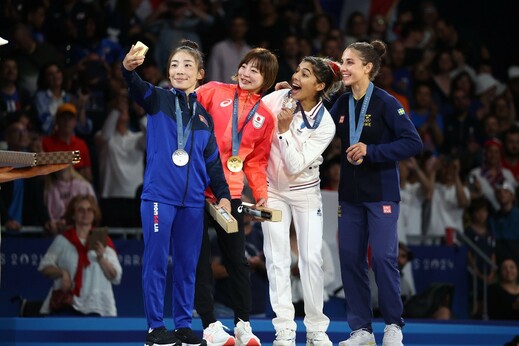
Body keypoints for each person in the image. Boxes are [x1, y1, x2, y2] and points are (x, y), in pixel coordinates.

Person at [122, 40, 231, 346]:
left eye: (187, 65)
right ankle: (155, 327)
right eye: (174, 65)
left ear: (200, 74)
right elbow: (135, 86)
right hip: (159, 198)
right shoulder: (157, 99)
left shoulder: (204, 118)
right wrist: (128, 70)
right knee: (156, 263)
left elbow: (212, 162)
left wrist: (222, 193)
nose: (179, 70)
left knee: (188, 266)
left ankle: (183, 325)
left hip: (193, 203)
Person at [329, 40, 423, 346]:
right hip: (349, 197)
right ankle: (362, 330)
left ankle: (393, 324)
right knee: (350, 259)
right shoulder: (341, 104)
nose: (343, 68)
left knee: (383, 258)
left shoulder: (385, 102)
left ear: (368, 67)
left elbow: (413, 143)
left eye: (349, 62)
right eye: (342, 62)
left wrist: (373, 150)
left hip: (381, 193)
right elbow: (319, 133)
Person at [194, 47, 278, 346]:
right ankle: (209, 325)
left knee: (237, 259)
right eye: (244, 66)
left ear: (266, 78)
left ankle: (243, 325)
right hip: (196, 189)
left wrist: (262, 195)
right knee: (200, 258)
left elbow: (255, 162)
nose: (246, 72)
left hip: (231, 194)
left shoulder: (265, 116)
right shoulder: (212, 91)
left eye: (255, 70)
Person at [260, 55, 342, 346]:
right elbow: (252, 119)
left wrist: (282, 132)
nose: (296, 76)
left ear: (319, 85)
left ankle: (317, 329)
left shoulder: (326, 125)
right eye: (297, 70)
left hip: (306, 193)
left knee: (311, 258)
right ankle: (284, 328)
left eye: (305, 74)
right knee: (276, 257)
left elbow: (295, 165)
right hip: (271, 191)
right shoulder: (279, 98)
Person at [38, 194, 122, 316]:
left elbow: (115, 276)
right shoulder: (63, 240)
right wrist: (62, 273)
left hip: (98, 307)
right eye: (80, 210)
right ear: (73, 214)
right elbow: (44, 267)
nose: (85, 213)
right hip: (68, 304)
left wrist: (101, 258)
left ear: (94, 214)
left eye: (89, 210)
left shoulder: (103, 241)